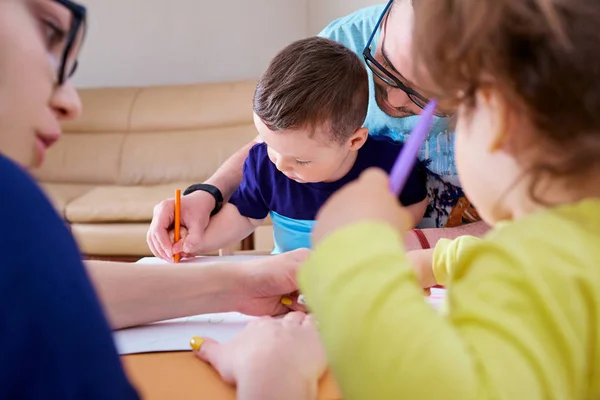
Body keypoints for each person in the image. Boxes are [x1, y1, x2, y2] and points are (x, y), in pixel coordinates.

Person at [192, 0, 600, 398]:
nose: (397, 103)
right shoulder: (567, 242)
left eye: (438, 102)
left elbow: (424, 385)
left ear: (499, 122)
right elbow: (466, 256)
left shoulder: (530, 280)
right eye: (384, 70)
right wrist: (423, 260)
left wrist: (276, 372)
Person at [0, 0, 311, 396]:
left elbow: (49, 292)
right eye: (50, 30)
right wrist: (275, 375)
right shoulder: (13, 203)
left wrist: (239, 284)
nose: (71, 104)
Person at [147, 0, 489, 263]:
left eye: (429, 96)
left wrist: (409, 242)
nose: (394, 98)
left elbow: (537, 222)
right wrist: (207, 193)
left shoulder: (523, 87)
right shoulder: (339, 45)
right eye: (383, 64)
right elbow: (278, 142)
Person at [190, 36, 427, 255]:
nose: (280, 164)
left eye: (301, 160)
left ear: (354, 141)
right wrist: (195, 242)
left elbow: (416, 203)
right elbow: (243, 217)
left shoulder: (390, 164)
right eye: (271, 146)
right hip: (286, 284)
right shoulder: (263, 164)